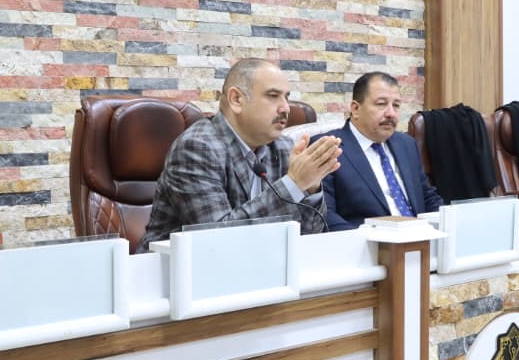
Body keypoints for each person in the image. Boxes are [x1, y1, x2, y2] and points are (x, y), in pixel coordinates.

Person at [140, 58, 341, 249]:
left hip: (259, 265)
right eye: (273, 96)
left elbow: (310, 234)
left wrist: (310, 187)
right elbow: (217, 240)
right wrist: (293, 184)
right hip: (171, 269)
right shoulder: (197, 148)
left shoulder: (283, 147)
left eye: (286, 97)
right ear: (236, 99)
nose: (286, 108)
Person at [319, 72, 442, 230]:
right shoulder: (328, 148)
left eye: (396, 105)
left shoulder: (406, 144)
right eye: (381, 104)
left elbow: (428, 198)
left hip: (420, 237)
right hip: (366, 241)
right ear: (355, 109)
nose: (391, 113)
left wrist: (449, 224)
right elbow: (324, 215)